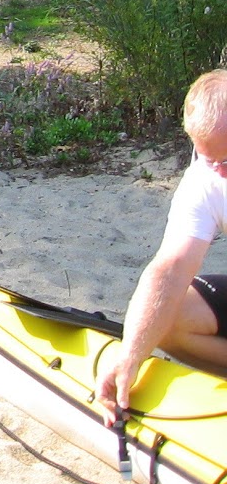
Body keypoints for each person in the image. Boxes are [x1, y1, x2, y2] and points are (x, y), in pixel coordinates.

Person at [96, 69, 227, 425]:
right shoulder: (205, 178)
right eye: (209, 158)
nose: (219, 173)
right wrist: (130, 356)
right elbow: (170, 268)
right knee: (164, 318)